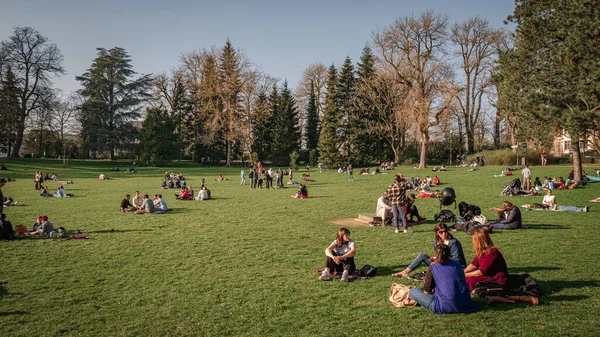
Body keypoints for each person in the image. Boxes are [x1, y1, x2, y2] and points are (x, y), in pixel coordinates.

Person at [408, 244, 479, 314]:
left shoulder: (433, 266)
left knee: (413, 291)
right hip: (465, 303)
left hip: (444, 305)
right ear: (449, 253)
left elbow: (427, 291)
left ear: (435, 254)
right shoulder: (457, 264)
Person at [393, 223, 466, 278]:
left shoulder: (453, 242)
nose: (444, 234)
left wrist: (440, 260)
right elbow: (438, 255)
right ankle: (405, 271)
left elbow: (457, 260)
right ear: (437, 233)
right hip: (443, 264)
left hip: (454, 266)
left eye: (445, 231)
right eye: (441, 232)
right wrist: (435, 259)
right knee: (421, 256)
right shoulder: (436, 242)